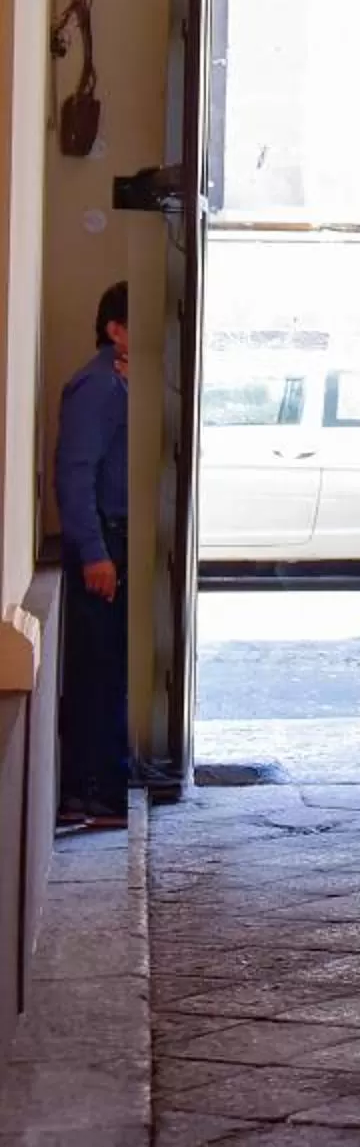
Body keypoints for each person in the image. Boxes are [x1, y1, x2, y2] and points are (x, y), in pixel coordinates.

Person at [57, 281, 130, 830]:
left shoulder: (121, 382)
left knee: (109, 670)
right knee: (97, 672)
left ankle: (104, 788)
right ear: (115, 329)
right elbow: (75, 473)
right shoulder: (98, 385)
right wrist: (94, 553)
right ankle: (92, 792)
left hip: (112, 539)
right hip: (103, 541)